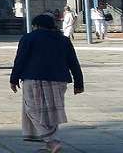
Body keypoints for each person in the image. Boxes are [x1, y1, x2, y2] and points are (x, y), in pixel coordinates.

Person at [10, 14, 84, 153]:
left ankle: (51, 140)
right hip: (59, 80)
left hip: (34, 78)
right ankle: (50, 142)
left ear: (36, 25)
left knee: (31, 109)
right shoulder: (63, 40)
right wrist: (79, 83)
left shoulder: (29, 38)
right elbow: (73, 62)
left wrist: (14, 79)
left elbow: (20, 60)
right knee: (53, 111)